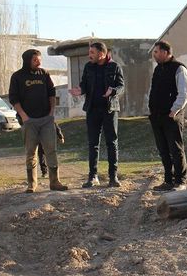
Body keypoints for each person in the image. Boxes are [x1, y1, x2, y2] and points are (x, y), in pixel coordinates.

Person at [8, 49, 68, 192]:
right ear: (27, 60)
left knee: (51, 150)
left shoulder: (44, 74)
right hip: (29, 121)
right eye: (35, 59)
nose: (38, 62)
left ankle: (55, 182)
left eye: (40, 59)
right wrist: (23, 116)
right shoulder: (17, 76)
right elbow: (13, 98)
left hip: (46, 120)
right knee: (30, 152)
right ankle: (32, 184)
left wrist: (51, 113)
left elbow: (52, 93)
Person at [68, 42, 125, 188]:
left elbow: (121, 86)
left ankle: (113, 176)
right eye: (90, 52)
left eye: (92, 52)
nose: (89, 55)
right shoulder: (88, 67)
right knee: (93, 144)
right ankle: (93, 177)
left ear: (102, 53)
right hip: (92, 110)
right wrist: (80, 90)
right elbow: (84, 84)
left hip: (109, 110)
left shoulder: (114, 66)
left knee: (112, 143)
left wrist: (112, 91)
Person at [148, 40, 187, 191]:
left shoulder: (178, 69)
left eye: (156, 52)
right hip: (157, 116)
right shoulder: (158, 69)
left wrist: (174, 110)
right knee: (163, 150)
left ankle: (180, 181)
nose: (154, 55)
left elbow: (185, 93)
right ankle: (168, 180)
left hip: (172, 116)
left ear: (165, 52)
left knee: (175, 148)